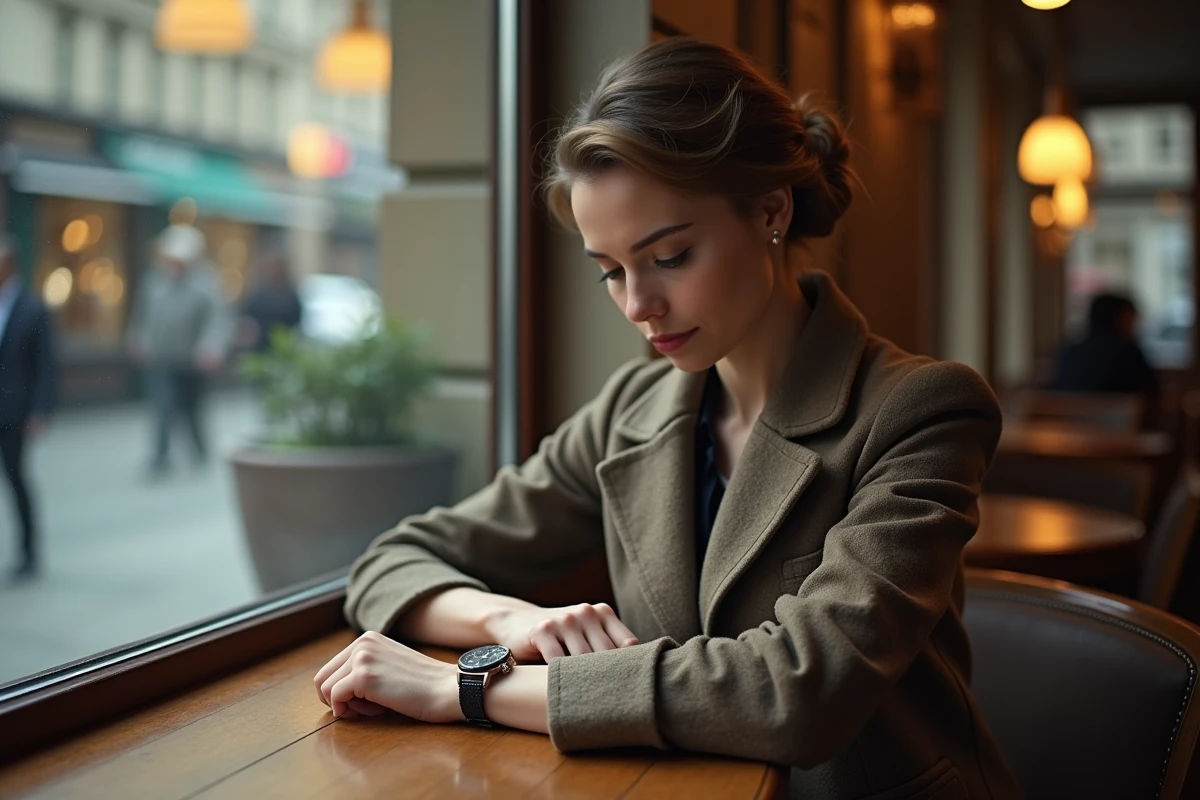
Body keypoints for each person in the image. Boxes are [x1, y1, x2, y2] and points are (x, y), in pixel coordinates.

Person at [314, 38, 1023, 799]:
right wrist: (505, 625)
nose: (638, 305)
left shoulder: (920, 410)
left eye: (672, 255)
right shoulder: (632, 410)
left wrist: (464, 690)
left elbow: (799, 692)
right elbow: (394, 559)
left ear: (770, 213)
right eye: (612, 271)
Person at [126, 224, 229, 478]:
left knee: (192, 411)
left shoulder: (206, 283)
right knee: (162, 407)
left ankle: (199, 451)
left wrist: (211, 347)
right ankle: (160, 458)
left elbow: (217, 320)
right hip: (162, 359)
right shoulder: (154, 280)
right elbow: (142, 316)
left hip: (192, 361)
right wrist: (138, 339)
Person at [0, 234, 57, 578]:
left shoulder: (33, 308)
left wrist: (40, 411)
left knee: (16, 478)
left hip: (15, 411)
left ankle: (29, 550)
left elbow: (46, 365)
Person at [1046, 291, 1160, 395]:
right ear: (1119, 319)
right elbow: (1151, 392)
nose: (1134, 326)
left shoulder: (1069, 349)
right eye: (1131, 319)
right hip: (1120, 416)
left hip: (1066, 416)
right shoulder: (1128, 352)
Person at [239, 249, 302, 352]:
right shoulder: (258, 293)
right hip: (258, 347)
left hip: (282, 348)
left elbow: (296, 324)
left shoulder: (290, 296)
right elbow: (248, 319)